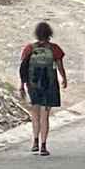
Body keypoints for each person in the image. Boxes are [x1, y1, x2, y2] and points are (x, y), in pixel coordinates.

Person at [19, 21, 67, 157]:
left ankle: (35, 142)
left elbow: (23, 67)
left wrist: (22, 85)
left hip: (33, 84)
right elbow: (60, 66)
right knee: (45, 116)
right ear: (50, 34)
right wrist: (64, 78)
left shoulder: (29, 48)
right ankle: (43, 145)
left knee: (35, 114)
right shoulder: (54, 49)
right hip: (49, 84)